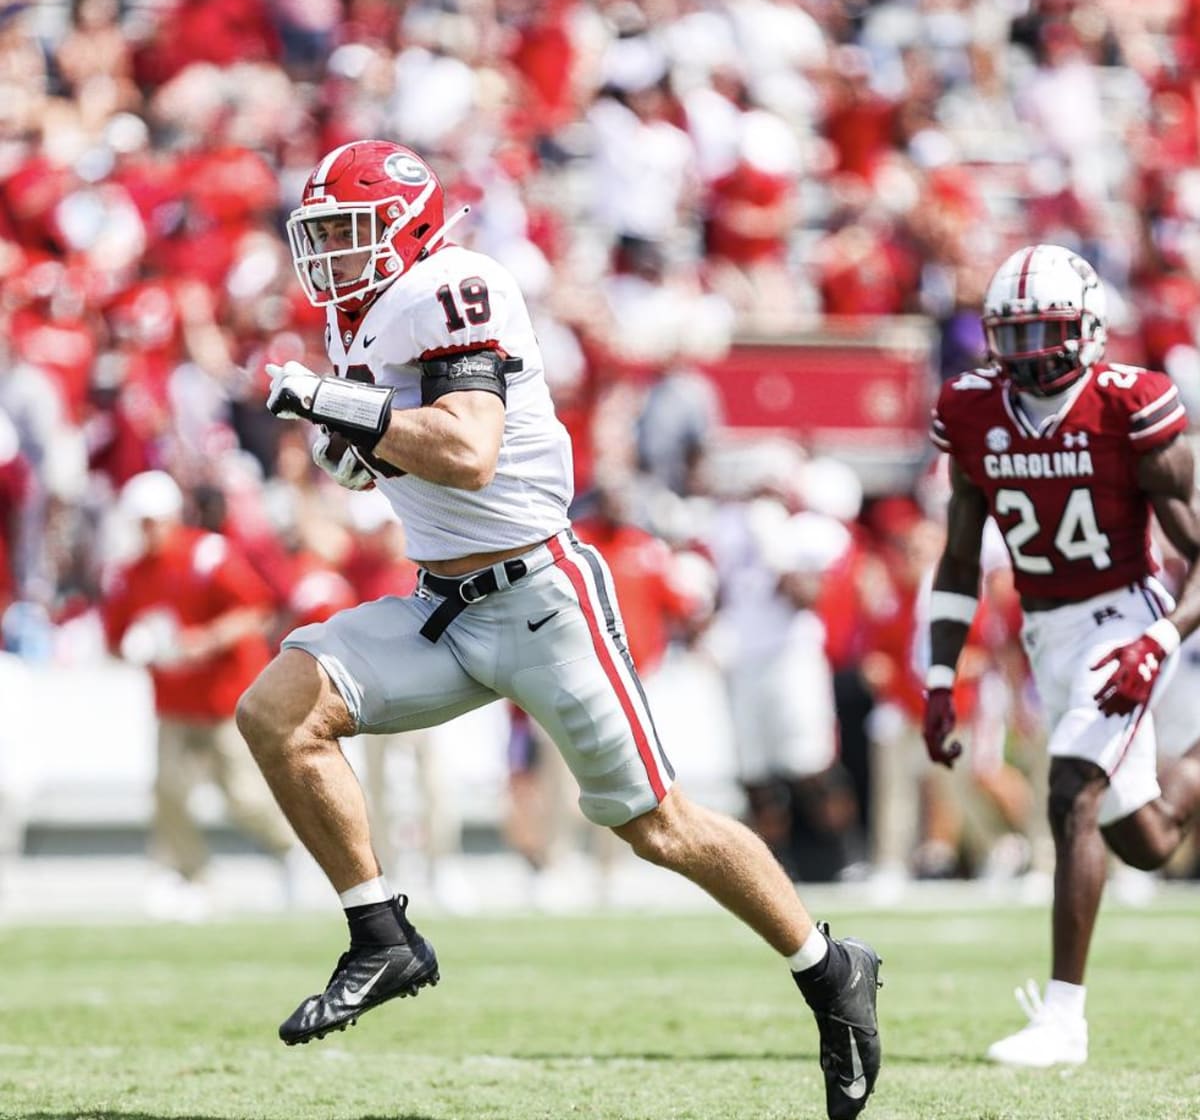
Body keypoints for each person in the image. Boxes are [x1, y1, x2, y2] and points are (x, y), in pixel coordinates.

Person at [234, 140, 882, 1120]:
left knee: (658, 827)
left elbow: (468, 449)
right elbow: (369, 464)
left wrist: (335, 406)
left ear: (407, 225)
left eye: (346, 233)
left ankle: (830, 969)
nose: (330, 254)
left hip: (543, 601)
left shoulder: (455, 281)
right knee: (277, 710)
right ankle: (381, 936)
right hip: (440, 611)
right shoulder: (361, 323)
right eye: (318, 235)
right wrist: (345, 428)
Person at [923, 243, 1200, 1068]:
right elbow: (960, 555)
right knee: (1144, 839)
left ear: (1088, 329)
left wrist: (1158, 640)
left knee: (1071, 782)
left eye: (1045, 328)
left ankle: (1063, 1021)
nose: (1028, 350)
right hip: (1048, 629)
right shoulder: (972, 410)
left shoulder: (1129, 408)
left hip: (1124, 614)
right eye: (1011, 333)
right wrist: (940, 673)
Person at [102, 470, 296, 918]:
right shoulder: (130, 574)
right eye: (141, 522)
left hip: (225, 700)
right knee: (167, 791)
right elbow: (113, 640)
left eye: (154, 521)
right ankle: (193, 876)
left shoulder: (207, 556)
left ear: (172, 517)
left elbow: (256, 611)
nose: (148, 531)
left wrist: (201, 641)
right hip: (174, 703)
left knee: (244, 796)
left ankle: (292, 850)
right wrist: (139, 647)